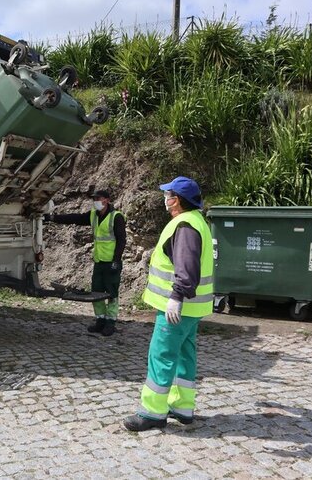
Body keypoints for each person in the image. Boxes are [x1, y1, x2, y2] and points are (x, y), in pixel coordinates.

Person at [123, 176, 214, 432]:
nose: (165, 198)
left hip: (177, 308)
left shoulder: (184, 226)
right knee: (185, 355)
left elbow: (187, 268)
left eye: (168, 194)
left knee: (161, 355)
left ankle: (152, 412)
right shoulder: (197, 222)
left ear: (177, 200)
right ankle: (182, 407)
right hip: (193, 308)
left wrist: (176, 297)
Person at [45, 189, 126, 336]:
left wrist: (116, 260)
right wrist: (52, 218)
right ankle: (100, 320)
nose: (95, 201)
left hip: (111, 263)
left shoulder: (116, 217)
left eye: (98, 198)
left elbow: (121, 241)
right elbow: (75, 218)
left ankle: (110, 322)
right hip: (99, 261)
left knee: (112, 293)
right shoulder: (93, 215)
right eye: (94, 199)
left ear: (107, 200)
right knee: (96, 292)